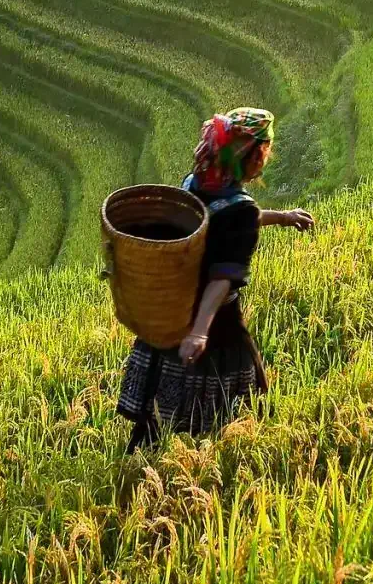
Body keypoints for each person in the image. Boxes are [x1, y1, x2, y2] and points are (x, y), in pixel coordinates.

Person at [118, 108, 315, 449]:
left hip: (169, 305)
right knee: (234, 405)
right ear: (253, 159)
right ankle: (217, 461)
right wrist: (199, 331)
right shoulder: (239, 210)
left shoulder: (193, 185)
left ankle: (145, 458)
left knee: (155, 408)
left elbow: (223, 219)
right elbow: (223, 276)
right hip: (216, 320)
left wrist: (281, 217)